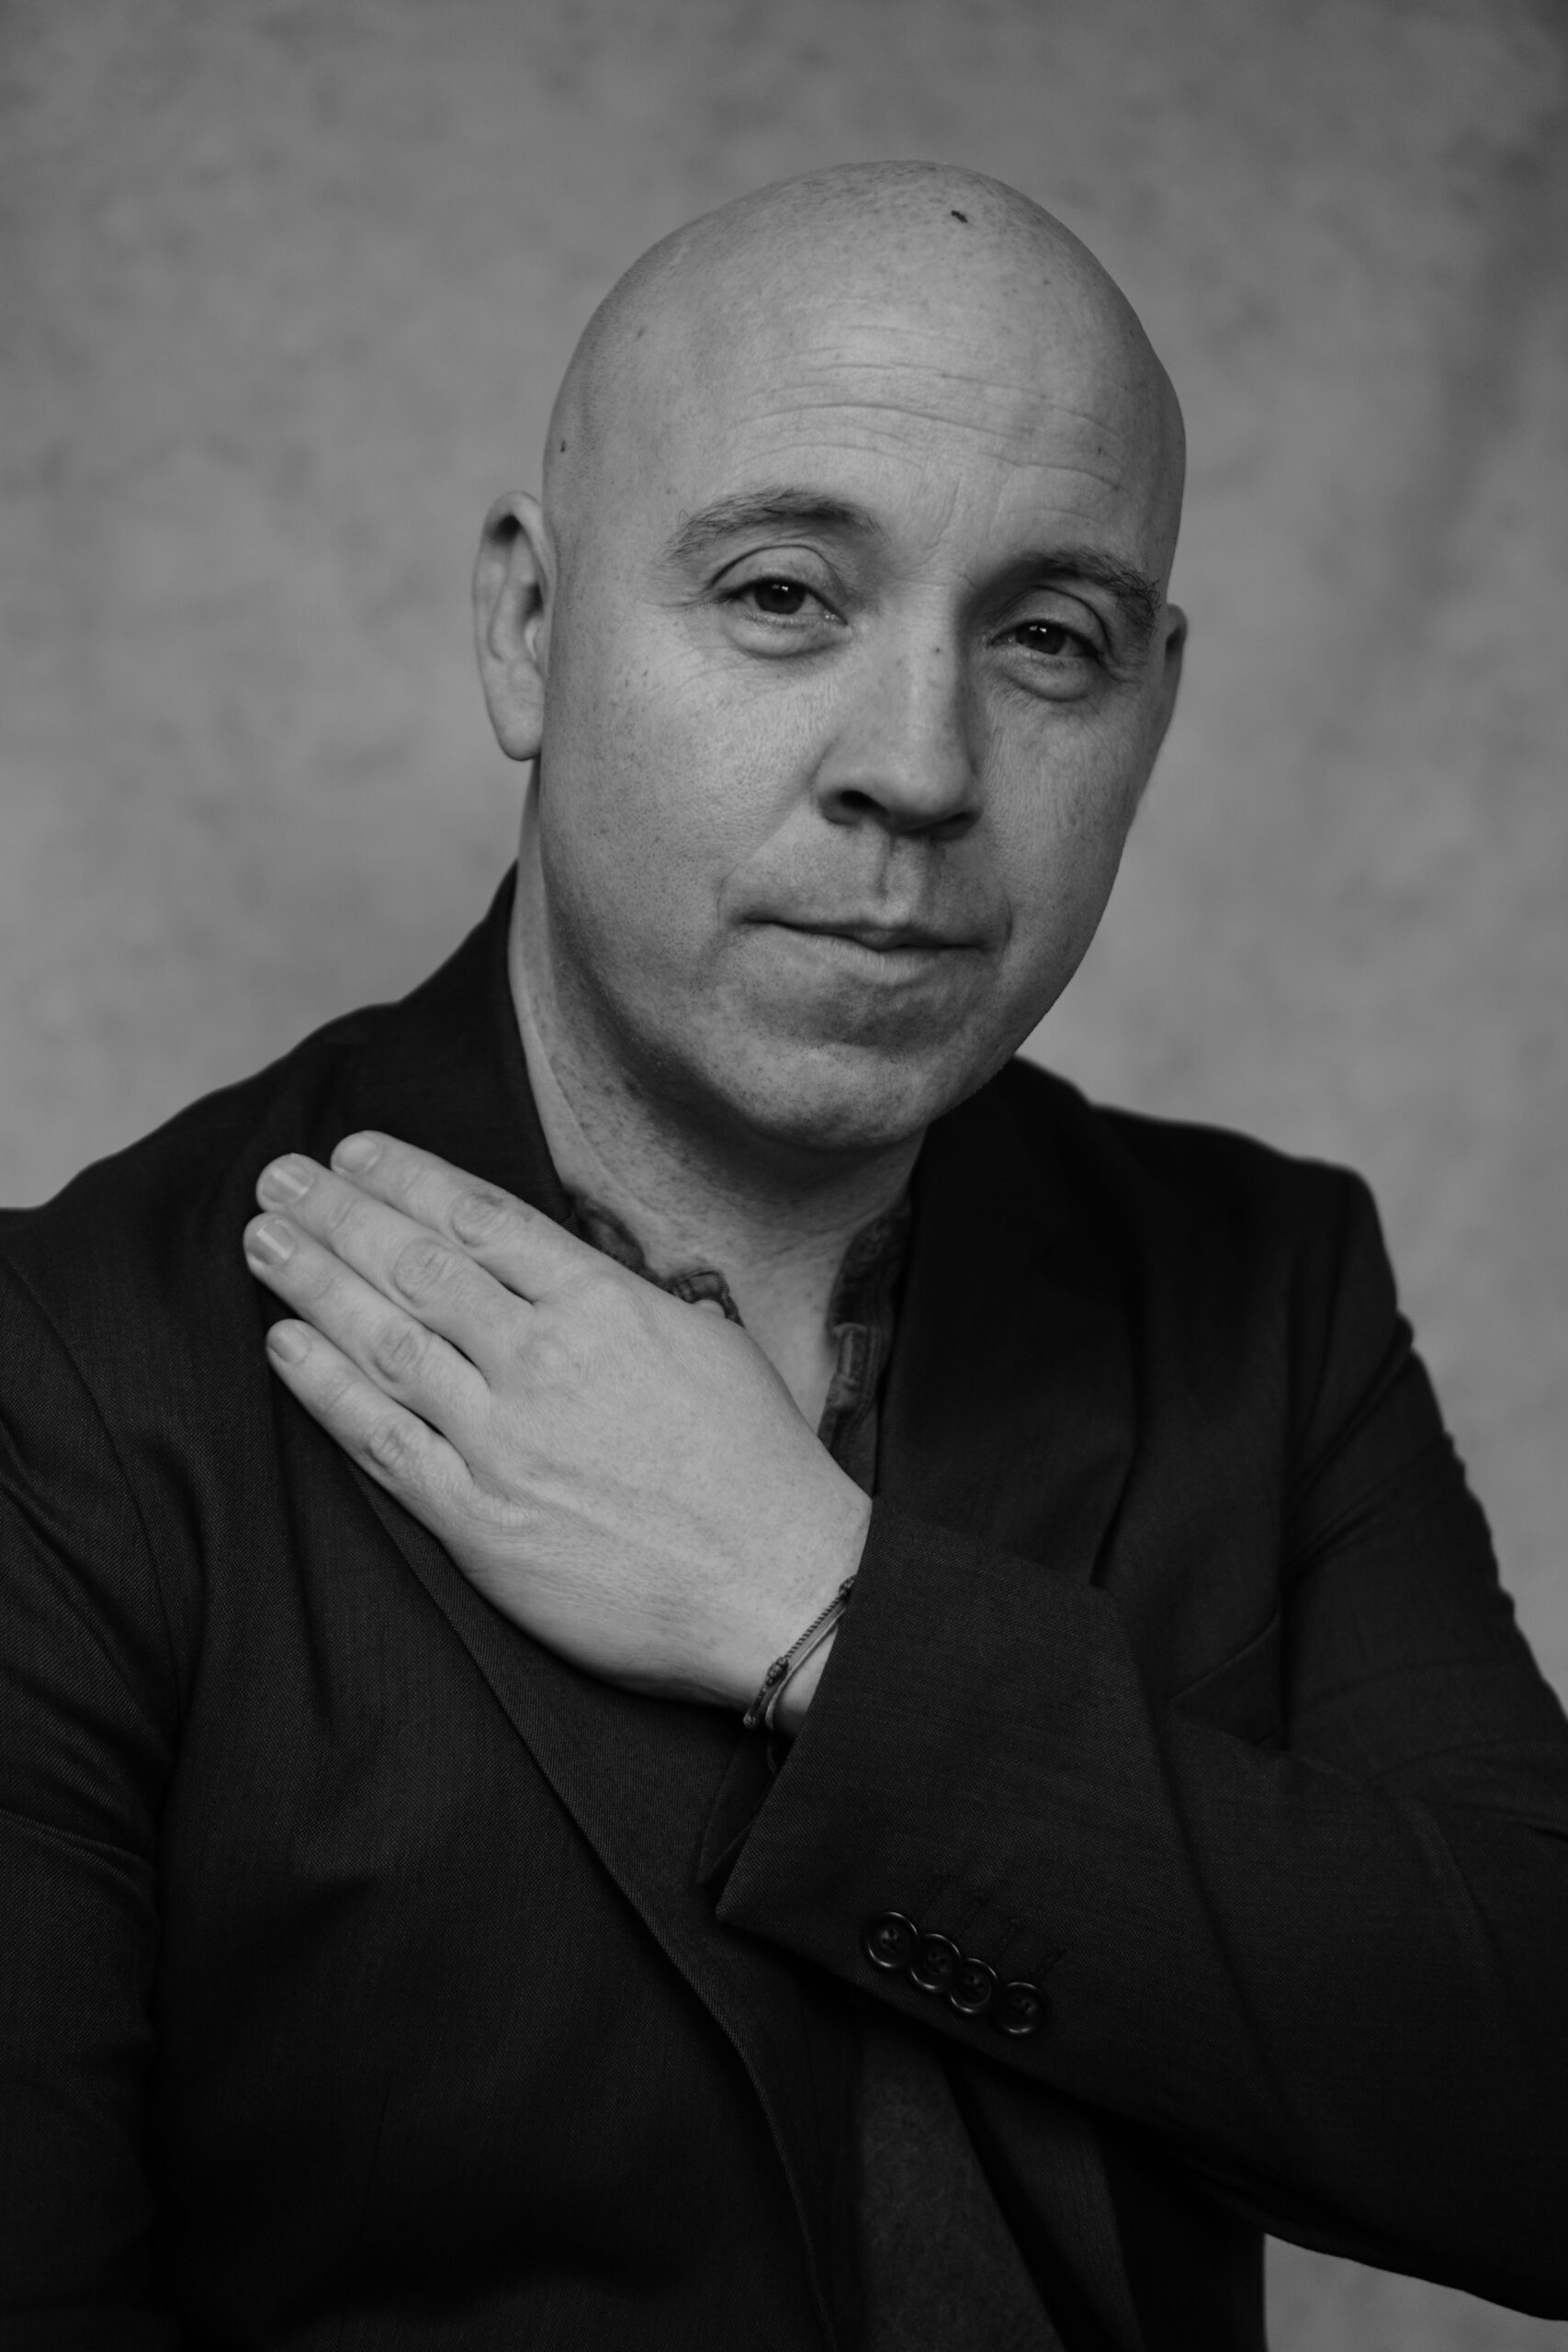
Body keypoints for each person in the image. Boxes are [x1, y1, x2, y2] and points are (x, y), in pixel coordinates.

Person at [2, 162, 1564, 2352]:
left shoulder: (1265, 1287)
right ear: (526, 628)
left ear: (1151, 705)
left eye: (1046, 636)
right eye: (777, 594)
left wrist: (821, 1609)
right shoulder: (68, 1373)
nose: (916, 767)